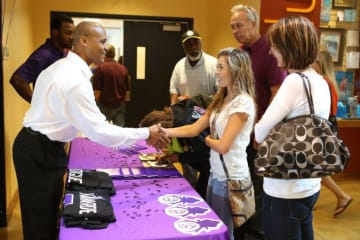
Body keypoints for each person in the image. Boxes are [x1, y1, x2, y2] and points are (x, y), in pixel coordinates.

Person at [12, 21, 168, 240]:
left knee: (47, 216)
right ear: (84, 41)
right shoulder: (73, 79)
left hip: (41, 146)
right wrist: (146, 133)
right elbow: (99, 132)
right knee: (40, 225)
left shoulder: (61, 67)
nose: (106, 47)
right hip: (39, 150)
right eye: (102, 41)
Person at [166, 47, 256, 240]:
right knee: (215, 228)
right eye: (217, 66)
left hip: (230, 178)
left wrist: (208, 140)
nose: (216, 71)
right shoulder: (221, 100)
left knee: (224, 232)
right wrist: (164, 131)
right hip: (216, 175)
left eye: (221, 67)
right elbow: (193, 129)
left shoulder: (242, 103)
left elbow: (223, 146)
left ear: (236, 70)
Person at [254, 16, 328, 240]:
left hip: (285, 187)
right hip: (310, 182)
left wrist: (259, 126)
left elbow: (260, 131)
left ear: (288, 47)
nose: (271, 51)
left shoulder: (294, 82)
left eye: (274, 46)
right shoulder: (320, 81)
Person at [230, 4, 286, 239]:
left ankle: (257, 232)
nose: (235, 30)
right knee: (244, 181)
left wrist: (262, 131)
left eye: (239, 25)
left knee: (259, 186)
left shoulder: (269, 53)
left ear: (254, 23)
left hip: (260, 133)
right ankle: (243, 228)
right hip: (241, 131)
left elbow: (277, 93)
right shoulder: (239, 53)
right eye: (232, 27)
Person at [169, 29, 217, 191]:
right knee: (187, 161)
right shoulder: (179, 66)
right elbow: (173, 92)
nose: (193, 46)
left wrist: (197, 103)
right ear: (183, 46)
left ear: (200, 42)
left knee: (204, 158)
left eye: (195, 41)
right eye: (188, 44)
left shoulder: (213, 64)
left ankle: (204, 191)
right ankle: (188, 189)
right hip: (185, 122)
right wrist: (173, 115)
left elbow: (220, 95)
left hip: (206, 121)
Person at [312, 50, 353, 217]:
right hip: (327, 125)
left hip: (322, 127)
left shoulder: (323, 83)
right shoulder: (329, 83)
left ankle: (342, 196)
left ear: (319, 64)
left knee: (316, 167)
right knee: (316, 166)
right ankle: (314, 201)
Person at [9, 14, 75, 103]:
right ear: (55, 32)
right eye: (68, 33)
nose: (72, 37)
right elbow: (18, 80)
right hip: (49, 114)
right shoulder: (44, 54)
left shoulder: (62, 53)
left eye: (73, 33)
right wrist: (37, 104)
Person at [92, 44, 131, 126]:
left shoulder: (100, 68)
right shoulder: (123, 69)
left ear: (104, 54)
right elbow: (127, 92)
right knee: (119, 131)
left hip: (103, 105)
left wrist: (96, 104)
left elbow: (97, 92)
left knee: (102, 130)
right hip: (119, 105)